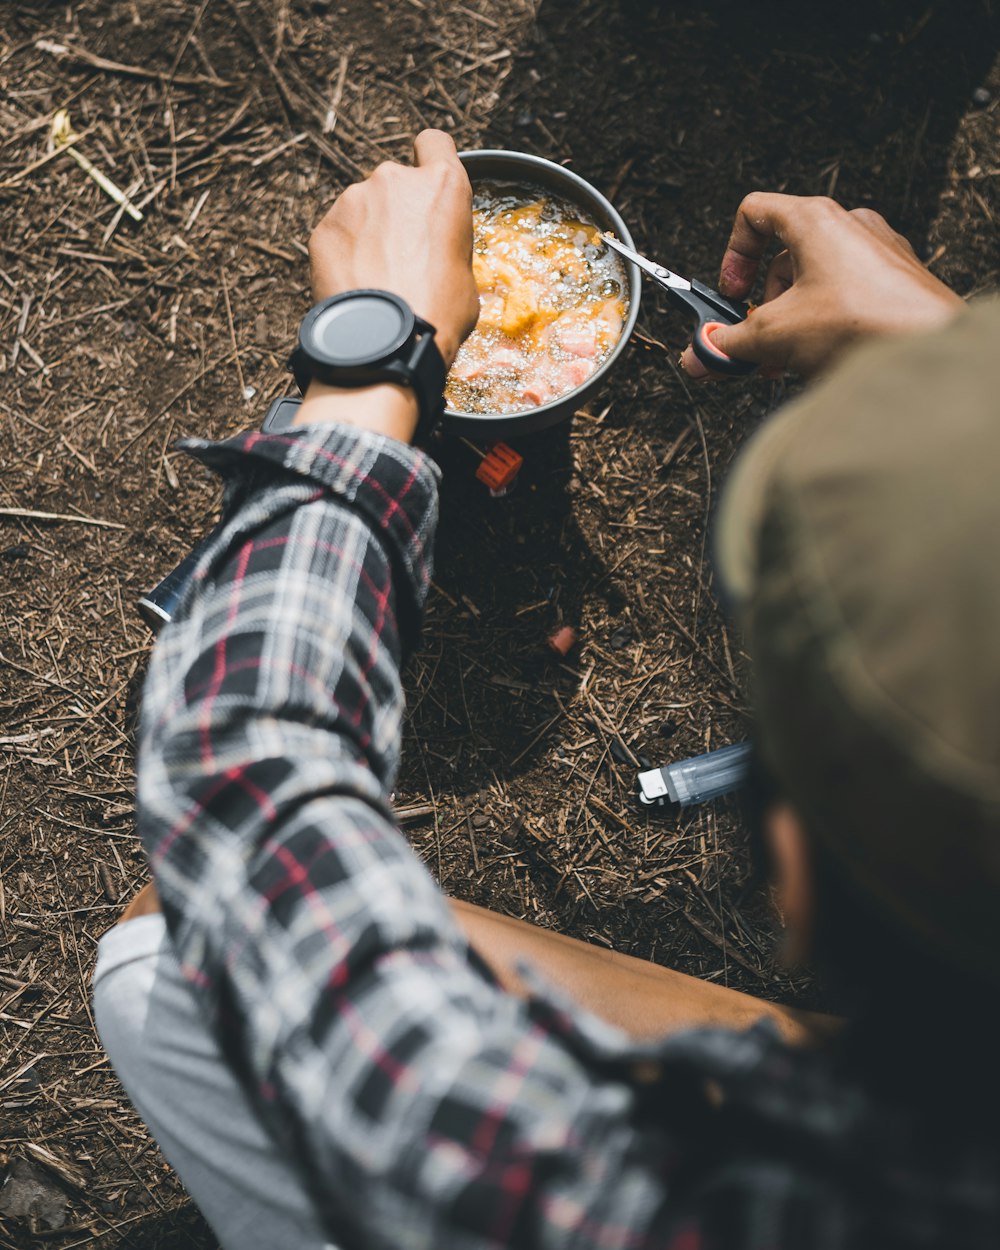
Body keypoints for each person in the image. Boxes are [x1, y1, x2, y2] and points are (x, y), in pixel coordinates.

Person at [93, 130, 1000, 1249]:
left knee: (167, 951)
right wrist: (952, 365)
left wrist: (370, 364)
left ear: (792, 875)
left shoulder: (624, 1191)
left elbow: (241, 797)